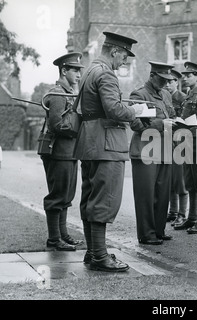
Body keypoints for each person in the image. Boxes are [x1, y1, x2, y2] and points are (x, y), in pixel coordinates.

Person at [73, 32, 143, 272]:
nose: (124, 61)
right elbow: (113, 109)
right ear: (114, 51)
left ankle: (93, 252)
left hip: (89, 142)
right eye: (123, 56)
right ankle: (101, 256)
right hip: (107, 144)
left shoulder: (89, 71)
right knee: (105, 200)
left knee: (90, 198)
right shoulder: (106, 74)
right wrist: (135, 111)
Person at [129, 61, 176, 245]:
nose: (165, 83)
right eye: (162, 79)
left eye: (168, 80)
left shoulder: (165, 94)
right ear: (152, 76)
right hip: (145, 151)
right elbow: (135, 124)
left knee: (163, 192)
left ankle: (158, 230)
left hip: (164, 149)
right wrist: (160, 124)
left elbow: (170, 115)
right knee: (146, 195)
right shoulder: (139, 95)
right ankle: (147, 234)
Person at [41, 52, 85, 251]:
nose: (78, 74)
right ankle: (54, 238)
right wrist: (80, 129)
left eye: (79, 70)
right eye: (74, 70)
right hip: (59, 152)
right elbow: (57, 125)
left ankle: (63, 235)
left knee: (66, 196)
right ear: (64, 70)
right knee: (57, 195)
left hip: (69, 152)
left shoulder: (69, 92)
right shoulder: (58, 94)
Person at [173, 62, 197, 234]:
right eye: (184, 76)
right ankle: (192, 217)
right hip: (187, 142)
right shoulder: (189, 96)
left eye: (189, 75)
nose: (185, 78)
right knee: (190, 181)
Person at [165, 69, 188, 224]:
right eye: (165, 81)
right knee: (170, 178)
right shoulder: (163, 97)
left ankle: (182, 213)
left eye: (171, 81)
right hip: (166, 140)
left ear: (177, 82)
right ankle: (173, 210)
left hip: (180, 141)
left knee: (180, 180)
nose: (167, 85)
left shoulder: (182, 98)